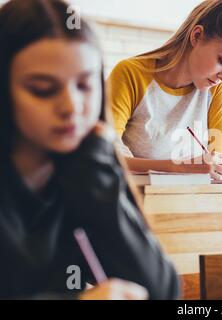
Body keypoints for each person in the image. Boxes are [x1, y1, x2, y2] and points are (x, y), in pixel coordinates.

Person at [0, 0, 179, 300]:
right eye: (43, 89)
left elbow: (160, 291)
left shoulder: (87, 165)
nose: (71, 107)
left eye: (84, 86)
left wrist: (96, 168)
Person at [107, 0, 222, 180]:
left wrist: (211, 168)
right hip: (133, 200)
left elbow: (218, 167)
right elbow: (106, 156)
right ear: (197, 36)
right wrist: (180, 167)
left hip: (189, 201)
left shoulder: (219, 86)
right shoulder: (130, 74)